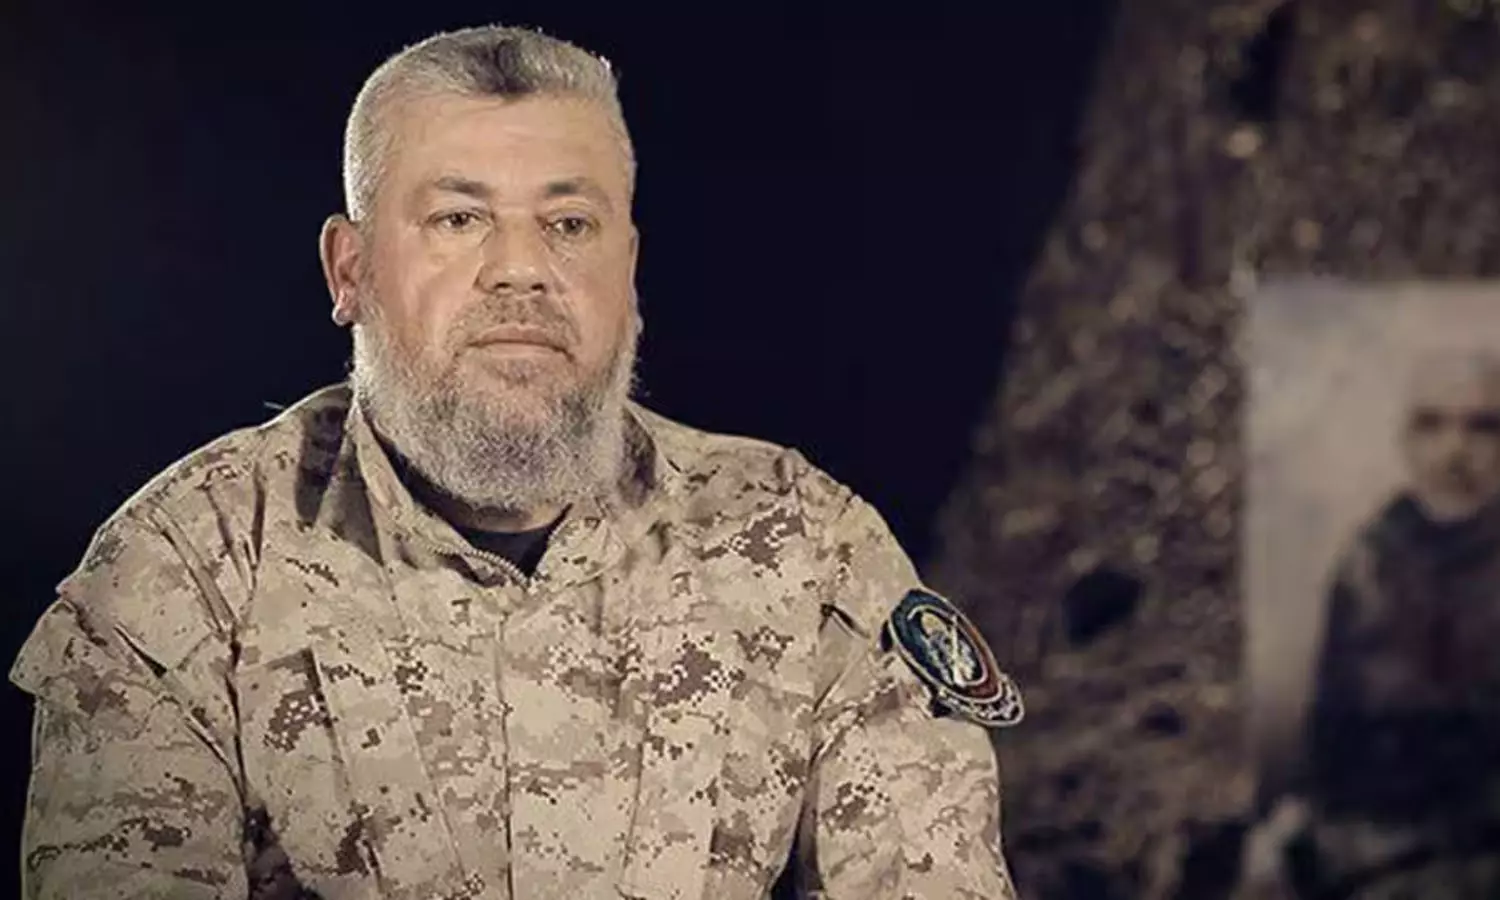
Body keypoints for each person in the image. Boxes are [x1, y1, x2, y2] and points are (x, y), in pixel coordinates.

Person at [10, 24, 1024, 900]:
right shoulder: (185, 575)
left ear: (629, 270)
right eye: (459, 220)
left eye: (569, 225)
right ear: (349, 270)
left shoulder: (808, 551)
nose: (522, 270)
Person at [1239, 350, 1500, 899]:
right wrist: (1293, 817)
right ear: (1406, 441)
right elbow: (1330, 720)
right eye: (1432, 424)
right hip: (1366, 833)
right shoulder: (1368, 561)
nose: (1455, 450)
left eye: (1481, 427)